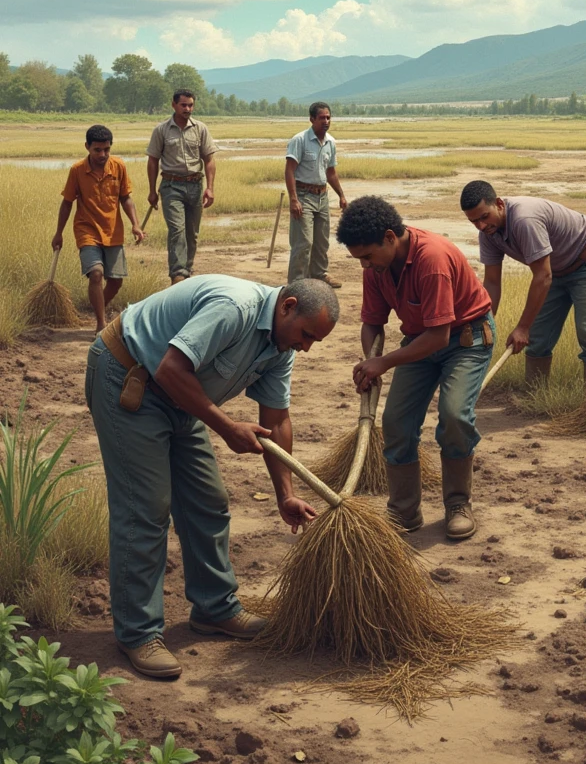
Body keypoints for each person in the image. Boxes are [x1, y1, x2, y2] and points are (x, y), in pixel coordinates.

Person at [85, 275, 339, 679]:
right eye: (306, 335)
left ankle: (215, 609)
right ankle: (138, 634)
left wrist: (285, 494)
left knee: (208, 501)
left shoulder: (280, 346)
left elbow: (277, 420)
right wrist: (226, 427)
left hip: (180, 394)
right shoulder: (235, 307)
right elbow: (171, 368)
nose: (306, 347)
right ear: (287, 306)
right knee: (145, 508)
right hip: (129, 375)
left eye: (314, 342)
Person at [337, 196, 494, 541]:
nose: (363, 265)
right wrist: (370, 362)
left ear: (391, 237)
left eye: (367, 256)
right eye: (358, 258)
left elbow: (439, 337)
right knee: (396, 422)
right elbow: (373, 323)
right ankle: (404, 511)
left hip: (466, 340)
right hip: (419, 341)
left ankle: (457, 504)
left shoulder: (431, 259)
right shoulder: (377, 268)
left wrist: (384, 362)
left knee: (454, 417)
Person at [460, 181, 586, 388]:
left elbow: (542, 276)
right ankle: (534, 397)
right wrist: (485, 322)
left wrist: (522, 327)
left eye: (484, 217)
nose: (481, 225)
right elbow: (492, 283)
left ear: (498, 204)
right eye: (474, 222)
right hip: (554, 270)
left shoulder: (524, 220)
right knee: (537, 338)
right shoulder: (488, 233)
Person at [52, 124, 144, 334]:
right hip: (87, 230)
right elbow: (67, 203)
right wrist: (58, 233)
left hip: (113, 231)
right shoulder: (77, 170)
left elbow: (125, 198)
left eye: (106, 149)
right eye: (97, 150)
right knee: (96, 274)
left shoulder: (119, 166)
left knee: (116, 281)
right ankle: (101, 324)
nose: (102, 154)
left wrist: (136, 225)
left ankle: (97, 304)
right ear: (87, 147)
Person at [147, 90, 217, 284]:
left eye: (190, 105)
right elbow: (153, 161)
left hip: (195, 185)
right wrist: (152, 191)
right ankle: (178, 276)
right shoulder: (161, 130)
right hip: (171, 186)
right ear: (174, 105)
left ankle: (187, 271)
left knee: (191, 234)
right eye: (183, 105)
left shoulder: (201, 129)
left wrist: (209, 188)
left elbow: (209, 160)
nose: (187, 109)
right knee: (177, 230)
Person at [285, 101, 347, 288]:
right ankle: (297, 282)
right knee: (303, 242)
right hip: (303, 196)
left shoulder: (330, 142)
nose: (326, 121)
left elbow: (331, 173)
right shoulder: (300, 140)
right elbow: (289, 171)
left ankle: (319, 275)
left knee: (322, 241)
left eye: (328, 117)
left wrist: (341, 196)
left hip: (322, 197)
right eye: (322, 118)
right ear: (312, 119)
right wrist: (293, 199)